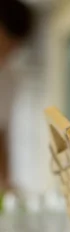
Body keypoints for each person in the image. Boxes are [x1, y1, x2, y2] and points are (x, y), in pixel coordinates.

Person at [0, 0, 34, 187]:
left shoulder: (8, 79)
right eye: (5, 41)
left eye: (14, 47)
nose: (8, 51)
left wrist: (6, 183)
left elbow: (1, 134)